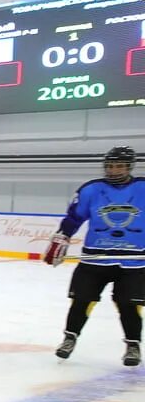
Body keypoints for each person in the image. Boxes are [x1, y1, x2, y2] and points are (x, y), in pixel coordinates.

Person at [45, 145, 144, 367]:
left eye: (119, 166)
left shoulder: (143, 188)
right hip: (94, 258)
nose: (113, 171)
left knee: (128, 304)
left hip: (134, 261)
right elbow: (74, 218)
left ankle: (133, 344)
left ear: (129, 167)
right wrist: (62, 238)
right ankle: (69, 338)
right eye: (109, 166)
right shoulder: (91, 189)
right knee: (80, 301)